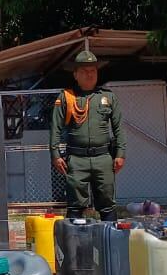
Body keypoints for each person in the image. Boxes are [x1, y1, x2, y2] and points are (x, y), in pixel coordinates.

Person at [50, 50, 127, 221]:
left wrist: (120, 154)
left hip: (103, 158)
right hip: (77, 160)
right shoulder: (66, 97)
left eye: (93, 70)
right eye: (84, 71)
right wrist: (55, 155)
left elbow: (118, 128)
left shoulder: (108, 97)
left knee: (107, 205)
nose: (89, 74)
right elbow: (55, 128)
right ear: (75, 74)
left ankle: (110, 242)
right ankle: (75, 245)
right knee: (75, 206)